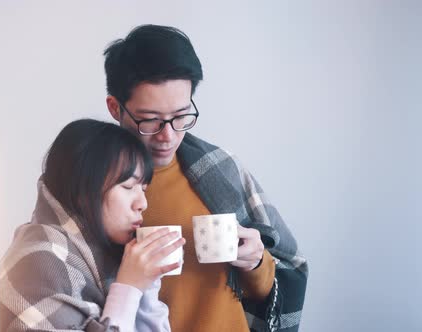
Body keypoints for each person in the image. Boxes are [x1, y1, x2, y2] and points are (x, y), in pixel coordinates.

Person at [103, 25, 308, 332]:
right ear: (115, 108)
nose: (168, 135)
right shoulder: (91, 185)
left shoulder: (221, 169)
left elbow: (279, 282)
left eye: (181, 115)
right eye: (150, 120)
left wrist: (255, 262)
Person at [0, 119, 185, 332]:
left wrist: (147, 282)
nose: (142, 203)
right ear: (84, 190)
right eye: (128, 186)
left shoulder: (107, 256)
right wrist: (128, 289)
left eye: (143, 189)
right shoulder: (40, 260)